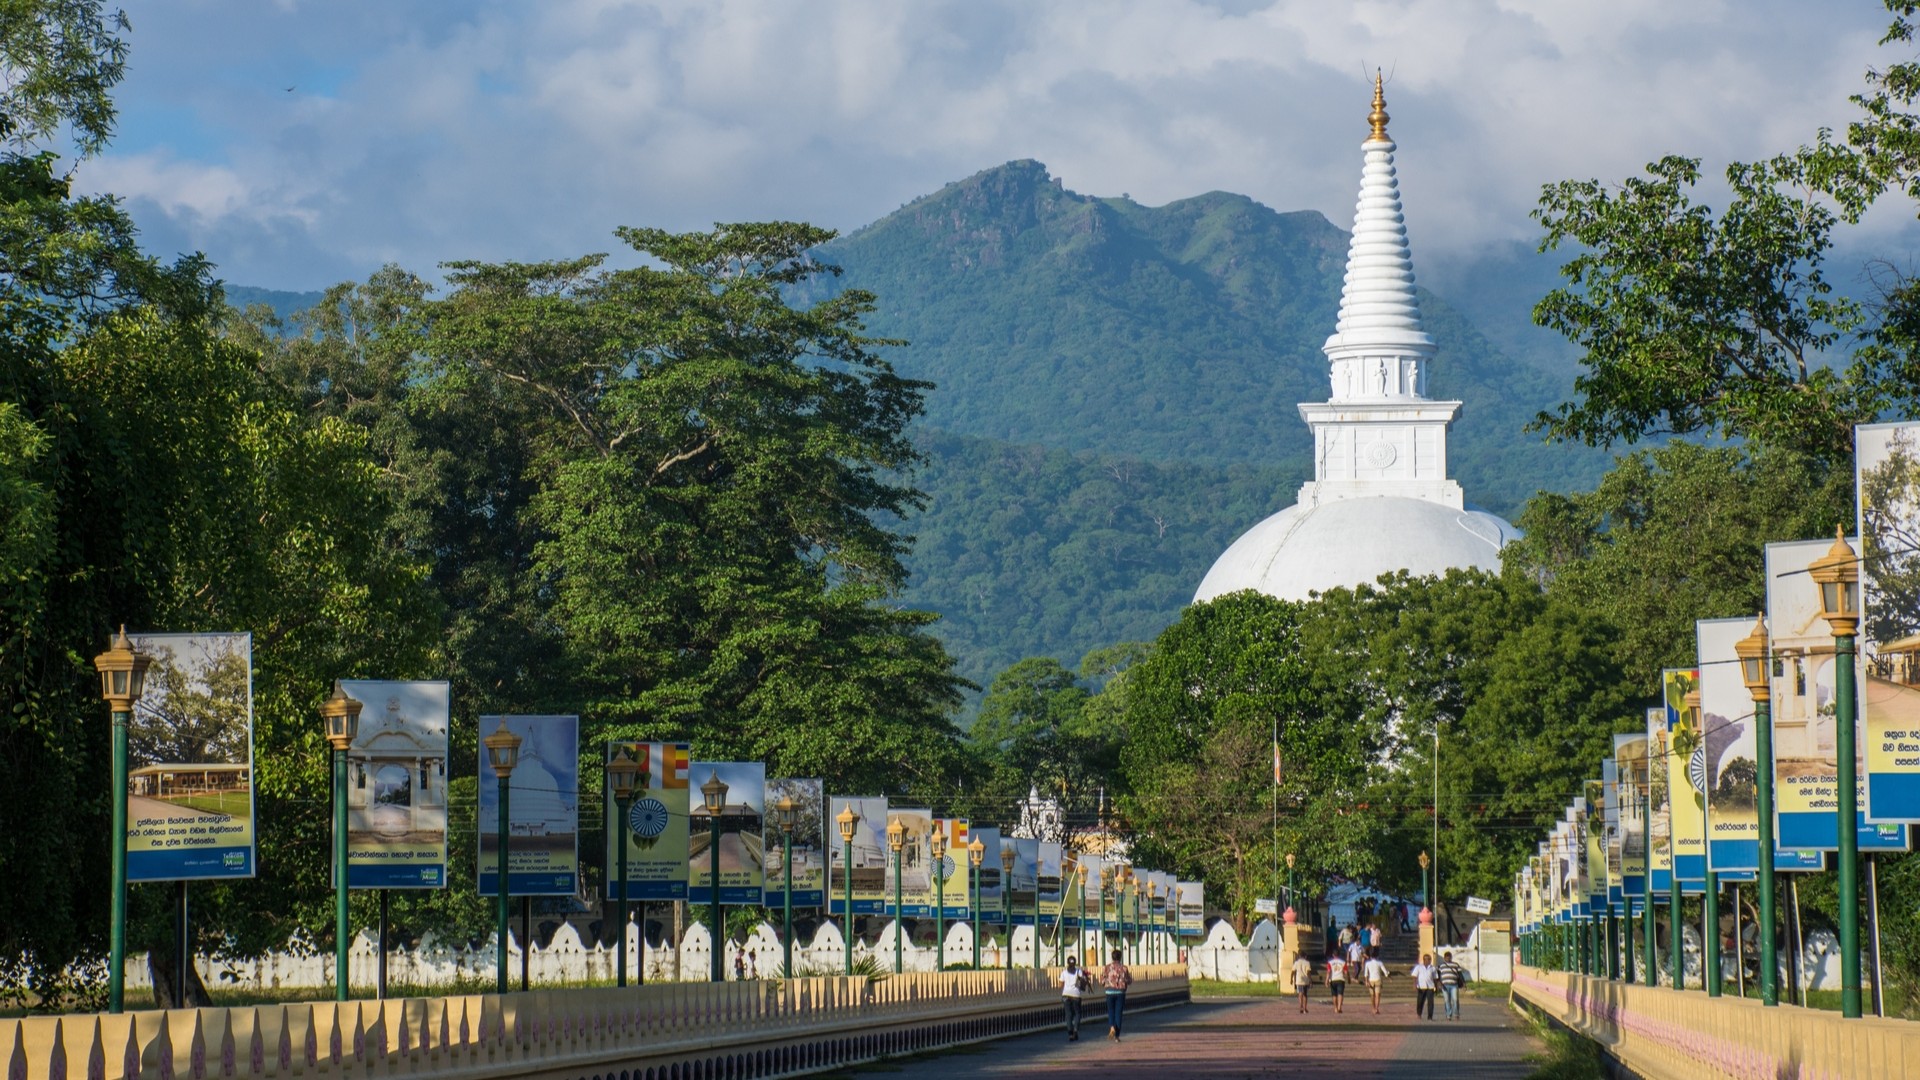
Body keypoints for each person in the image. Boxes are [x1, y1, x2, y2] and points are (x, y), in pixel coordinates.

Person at [1101, 948, 1133, 1040]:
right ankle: (1117, 1036)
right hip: (1120, 992)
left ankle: (1112, 1027)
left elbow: (1102, 980)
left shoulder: (1107, 968)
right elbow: (1128, 980)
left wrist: (1106, 984)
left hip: (1109, 991)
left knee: (1111, 1011)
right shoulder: (1124, 968)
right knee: (1118, 1013)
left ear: (1112, 957)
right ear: (1120, 957)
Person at [1059, 955, 1089, 1041]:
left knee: (1068, 1014)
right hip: (1076, 994)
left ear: (1067, 963)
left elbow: (1060, 985)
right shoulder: (1078, 971)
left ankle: (1070, 1033)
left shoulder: (1064, 972)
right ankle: (1075, 1030)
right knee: (1077, 1013)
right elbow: (1083, 981)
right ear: (1075, 963)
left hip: (1066, 995)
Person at [1437, 949, 1468, 1020]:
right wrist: (1439, 983)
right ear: (1444, 958)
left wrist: (1464, 983)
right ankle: (1448, 1014)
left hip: (1454, 985)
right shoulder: (1441, 966)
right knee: (1447, 1000)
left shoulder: (1455, 965)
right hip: (1444, 986)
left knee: (1455, 999)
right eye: (1446, 957)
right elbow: (1438, 976)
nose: (1448, 959)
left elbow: (1460, 975)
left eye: (1449, 957)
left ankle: (1456, 1014)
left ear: (1451, 957)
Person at [1411, 953, 1438, 1020]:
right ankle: (1419, 1014)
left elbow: (1435, 978)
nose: (1428, 960)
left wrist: (1436, 986)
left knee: (1430, 1002)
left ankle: (1430, 1016)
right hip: (1421, 986)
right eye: (1427, 959)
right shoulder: (1418, 967)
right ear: (1424, 960)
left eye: (1429, 959)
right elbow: (1414, 976)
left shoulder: (1433, 968)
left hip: (1430, 987)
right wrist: (1414, 984)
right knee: (1420, 1001)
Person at [1363, 949, 1389, 1014]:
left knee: (1372, 995)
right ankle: (1377, 1008)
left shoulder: (1367, 963)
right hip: (1378, 979)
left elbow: (1366, 973)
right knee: (1377, 995)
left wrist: (1366, 981)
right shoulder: (1379, 963)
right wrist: (1388, 976)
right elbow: (1385, 972)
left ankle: (1373, 1008)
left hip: (1371, 980)